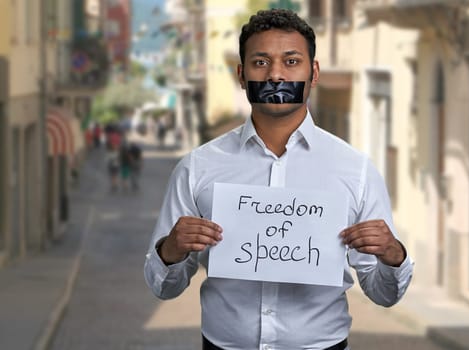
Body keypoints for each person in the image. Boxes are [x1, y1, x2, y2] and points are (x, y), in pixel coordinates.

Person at [144, 9, 413, 350]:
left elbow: (383, 293)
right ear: (241, 75)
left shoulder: (356, 170)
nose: (274, 75)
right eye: (260, 62)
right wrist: (171, 250)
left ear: (313, 73)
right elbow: (163, 287)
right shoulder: (197, 167)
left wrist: (393, 254)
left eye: (291, 61)